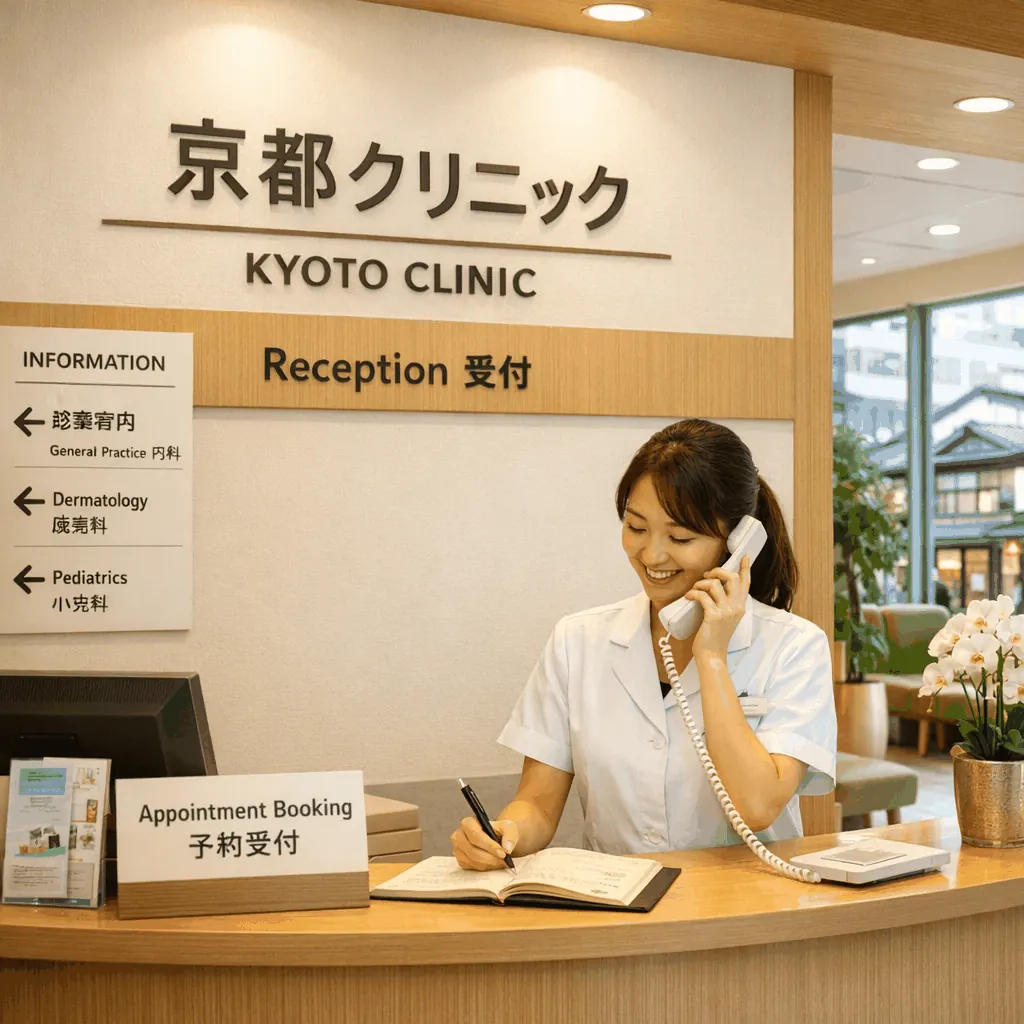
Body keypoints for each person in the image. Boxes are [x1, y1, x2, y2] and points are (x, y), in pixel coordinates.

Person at [451, 419, 837, 869]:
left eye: (680, 538)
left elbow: (756, 806)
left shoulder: (794, 647)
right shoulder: (577, 640)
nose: (652, 555)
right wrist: (504, 834)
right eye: (636, 528)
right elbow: (537, 804)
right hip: (618, 913)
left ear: (737, 545)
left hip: (745, 914)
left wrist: (710, 656)